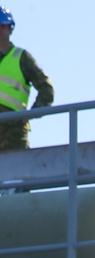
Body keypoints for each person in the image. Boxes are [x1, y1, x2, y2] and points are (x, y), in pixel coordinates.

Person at [0, 8, 53, 154]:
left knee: (17, 173)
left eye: (3, 26)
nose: (0, 30)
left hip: (13, 133)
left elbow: (46, 89)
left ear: (10, 29)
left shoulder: (21, 57)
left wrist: (31, 113)